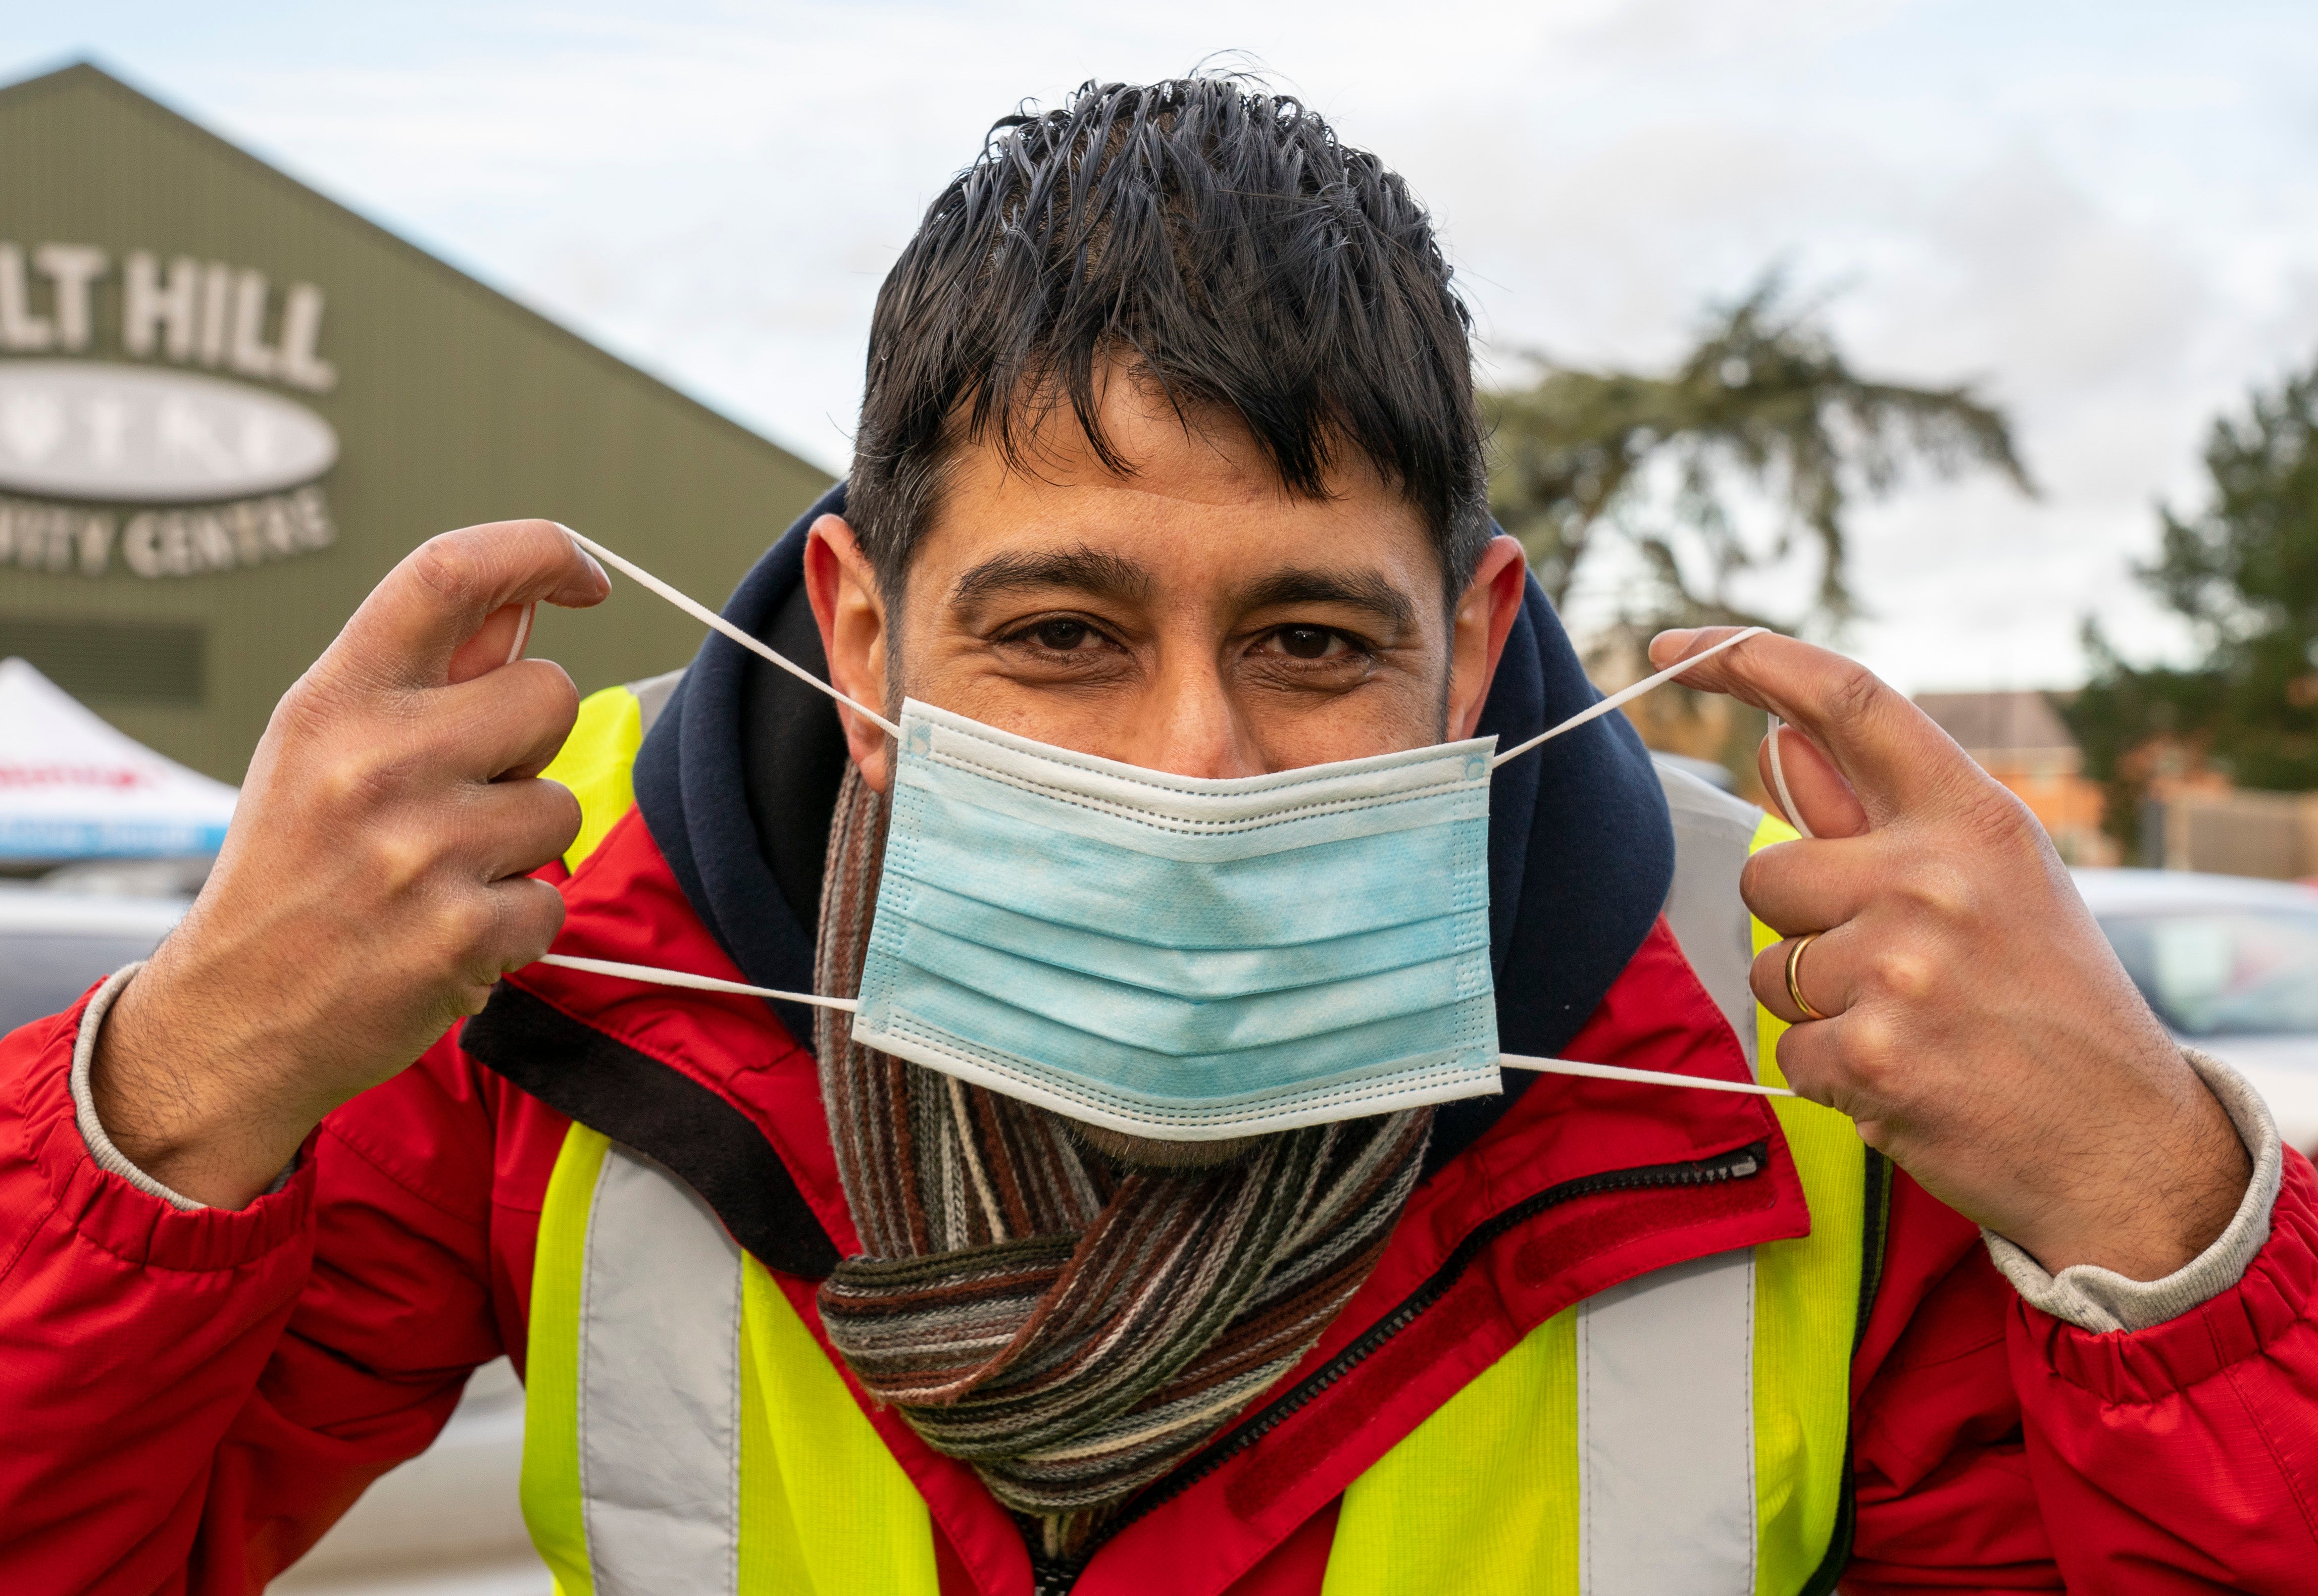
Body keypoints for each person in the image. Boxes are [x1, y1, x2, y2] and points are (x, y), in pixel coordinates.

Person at [1, 76, 2308, 1596]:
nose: (1190, 766)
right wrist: (176, 1082)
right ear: (863, 635)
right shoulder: (556, 934)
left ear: (1474, 627)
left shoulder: (1792, 1017)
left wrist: (2164, 1218)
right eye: (1062, 635)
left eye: (1311, 640)